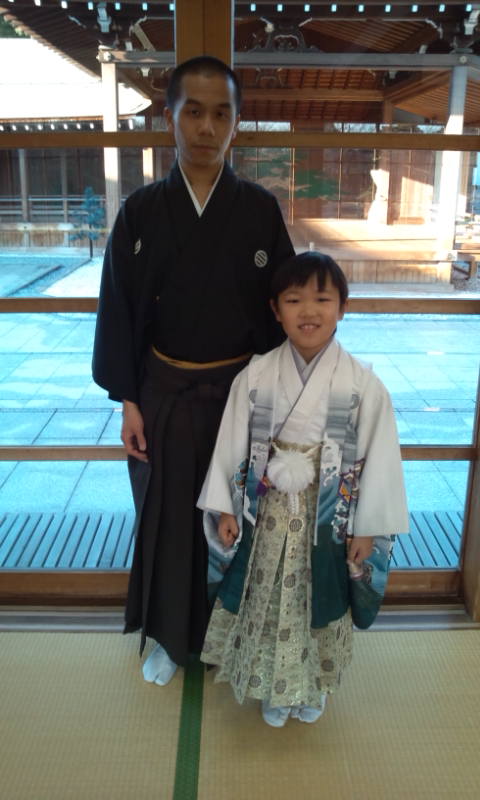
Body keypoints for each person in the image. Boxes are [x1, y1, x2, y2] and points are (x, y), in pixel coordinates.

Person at [92, 56, 294, 687]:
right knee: (168, 517)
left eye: (221, 114)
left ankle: (233, 636)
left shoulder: (258, 209)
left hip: (242, 394)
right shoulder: (141, 211)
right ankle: (168, 637)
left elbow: (285, 308)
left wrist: (284, 400)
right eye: (194, 112)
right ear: (169, 118)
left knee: (242, 520)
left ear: (237, 123)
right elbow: (117, 309)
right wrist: (128, 401)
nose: (207, 127)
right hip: (165, 392)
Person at [198, 251, 409, 727]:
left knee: (321, 598)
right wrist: (226, 508)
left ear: (343, 307)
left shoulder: (363, 384)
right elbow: (231, 443)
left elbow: (381, 458)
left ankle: (312, 684)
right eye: (294, 300)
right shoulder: (256, 375)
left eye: (322, 299)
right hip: (266, 513)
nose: (308, 311)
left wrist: (367, 527)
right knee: (267, 597)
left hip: (329, 518)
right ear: (276, 310)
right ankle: (273, 687)